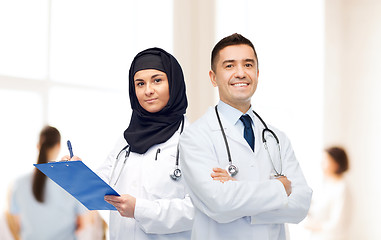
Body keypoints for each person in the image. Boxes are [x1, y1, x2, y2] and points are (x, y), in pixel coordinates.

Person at [179, 33, 312, 240]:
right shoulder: (195, 137)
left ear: (257, 73)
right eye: (229, 66)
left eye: (248, 65)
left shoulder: (277, 138)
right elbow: (219, 203)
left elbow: (301, 204)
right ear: (213, 78)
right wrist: (280, 187)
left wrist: (236, 190)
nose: (240, 73)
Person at [64, 48, 194, 239]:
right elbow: (105, 186)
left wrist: (140, 210)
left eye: (157, 80)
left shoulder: (193, 141)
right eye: (140, 84)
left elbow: (198, 209)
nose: (148, 90)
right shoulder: (126, 140)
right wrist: (77, 173)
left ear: (173, 84)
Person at [8, 126, 89, 240]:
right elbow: (81, 224)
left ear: (38, 146)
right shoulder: (71, 183)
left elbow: (17, 224)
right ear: (58, 146)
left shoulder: (18, 184)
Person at [304, 146, 351, 240]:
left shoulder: (341, 189)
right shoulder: (325, 185)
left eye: (325, 160)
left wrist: (316, 226)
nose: (321, 164)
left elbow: (338, 224)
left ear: (336, 164)